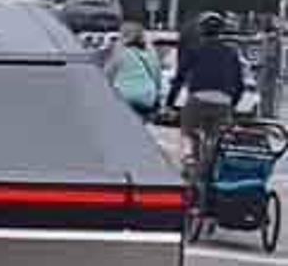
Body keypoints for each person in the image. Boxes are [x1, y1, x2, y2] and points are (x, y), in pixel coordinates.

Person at [167, 11, 245, 190]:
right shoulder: (231, 52)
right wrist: (232, 104)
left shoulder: (194, 49)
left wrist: (170, 103)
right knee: (217, 138)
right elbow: (239, 84)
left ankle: (189, 161)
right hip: (223, 101)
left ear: (201, 30)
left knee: (187, 131)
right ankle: (210, 168)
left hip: (198, 98)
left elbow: (180, 77)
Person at [104, 21, 163, 119]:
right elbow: (157, 77)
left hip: (124, 96)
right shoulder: (151, 52)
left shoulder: (120, 51)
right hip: (147, 97)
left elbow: (107, 75)